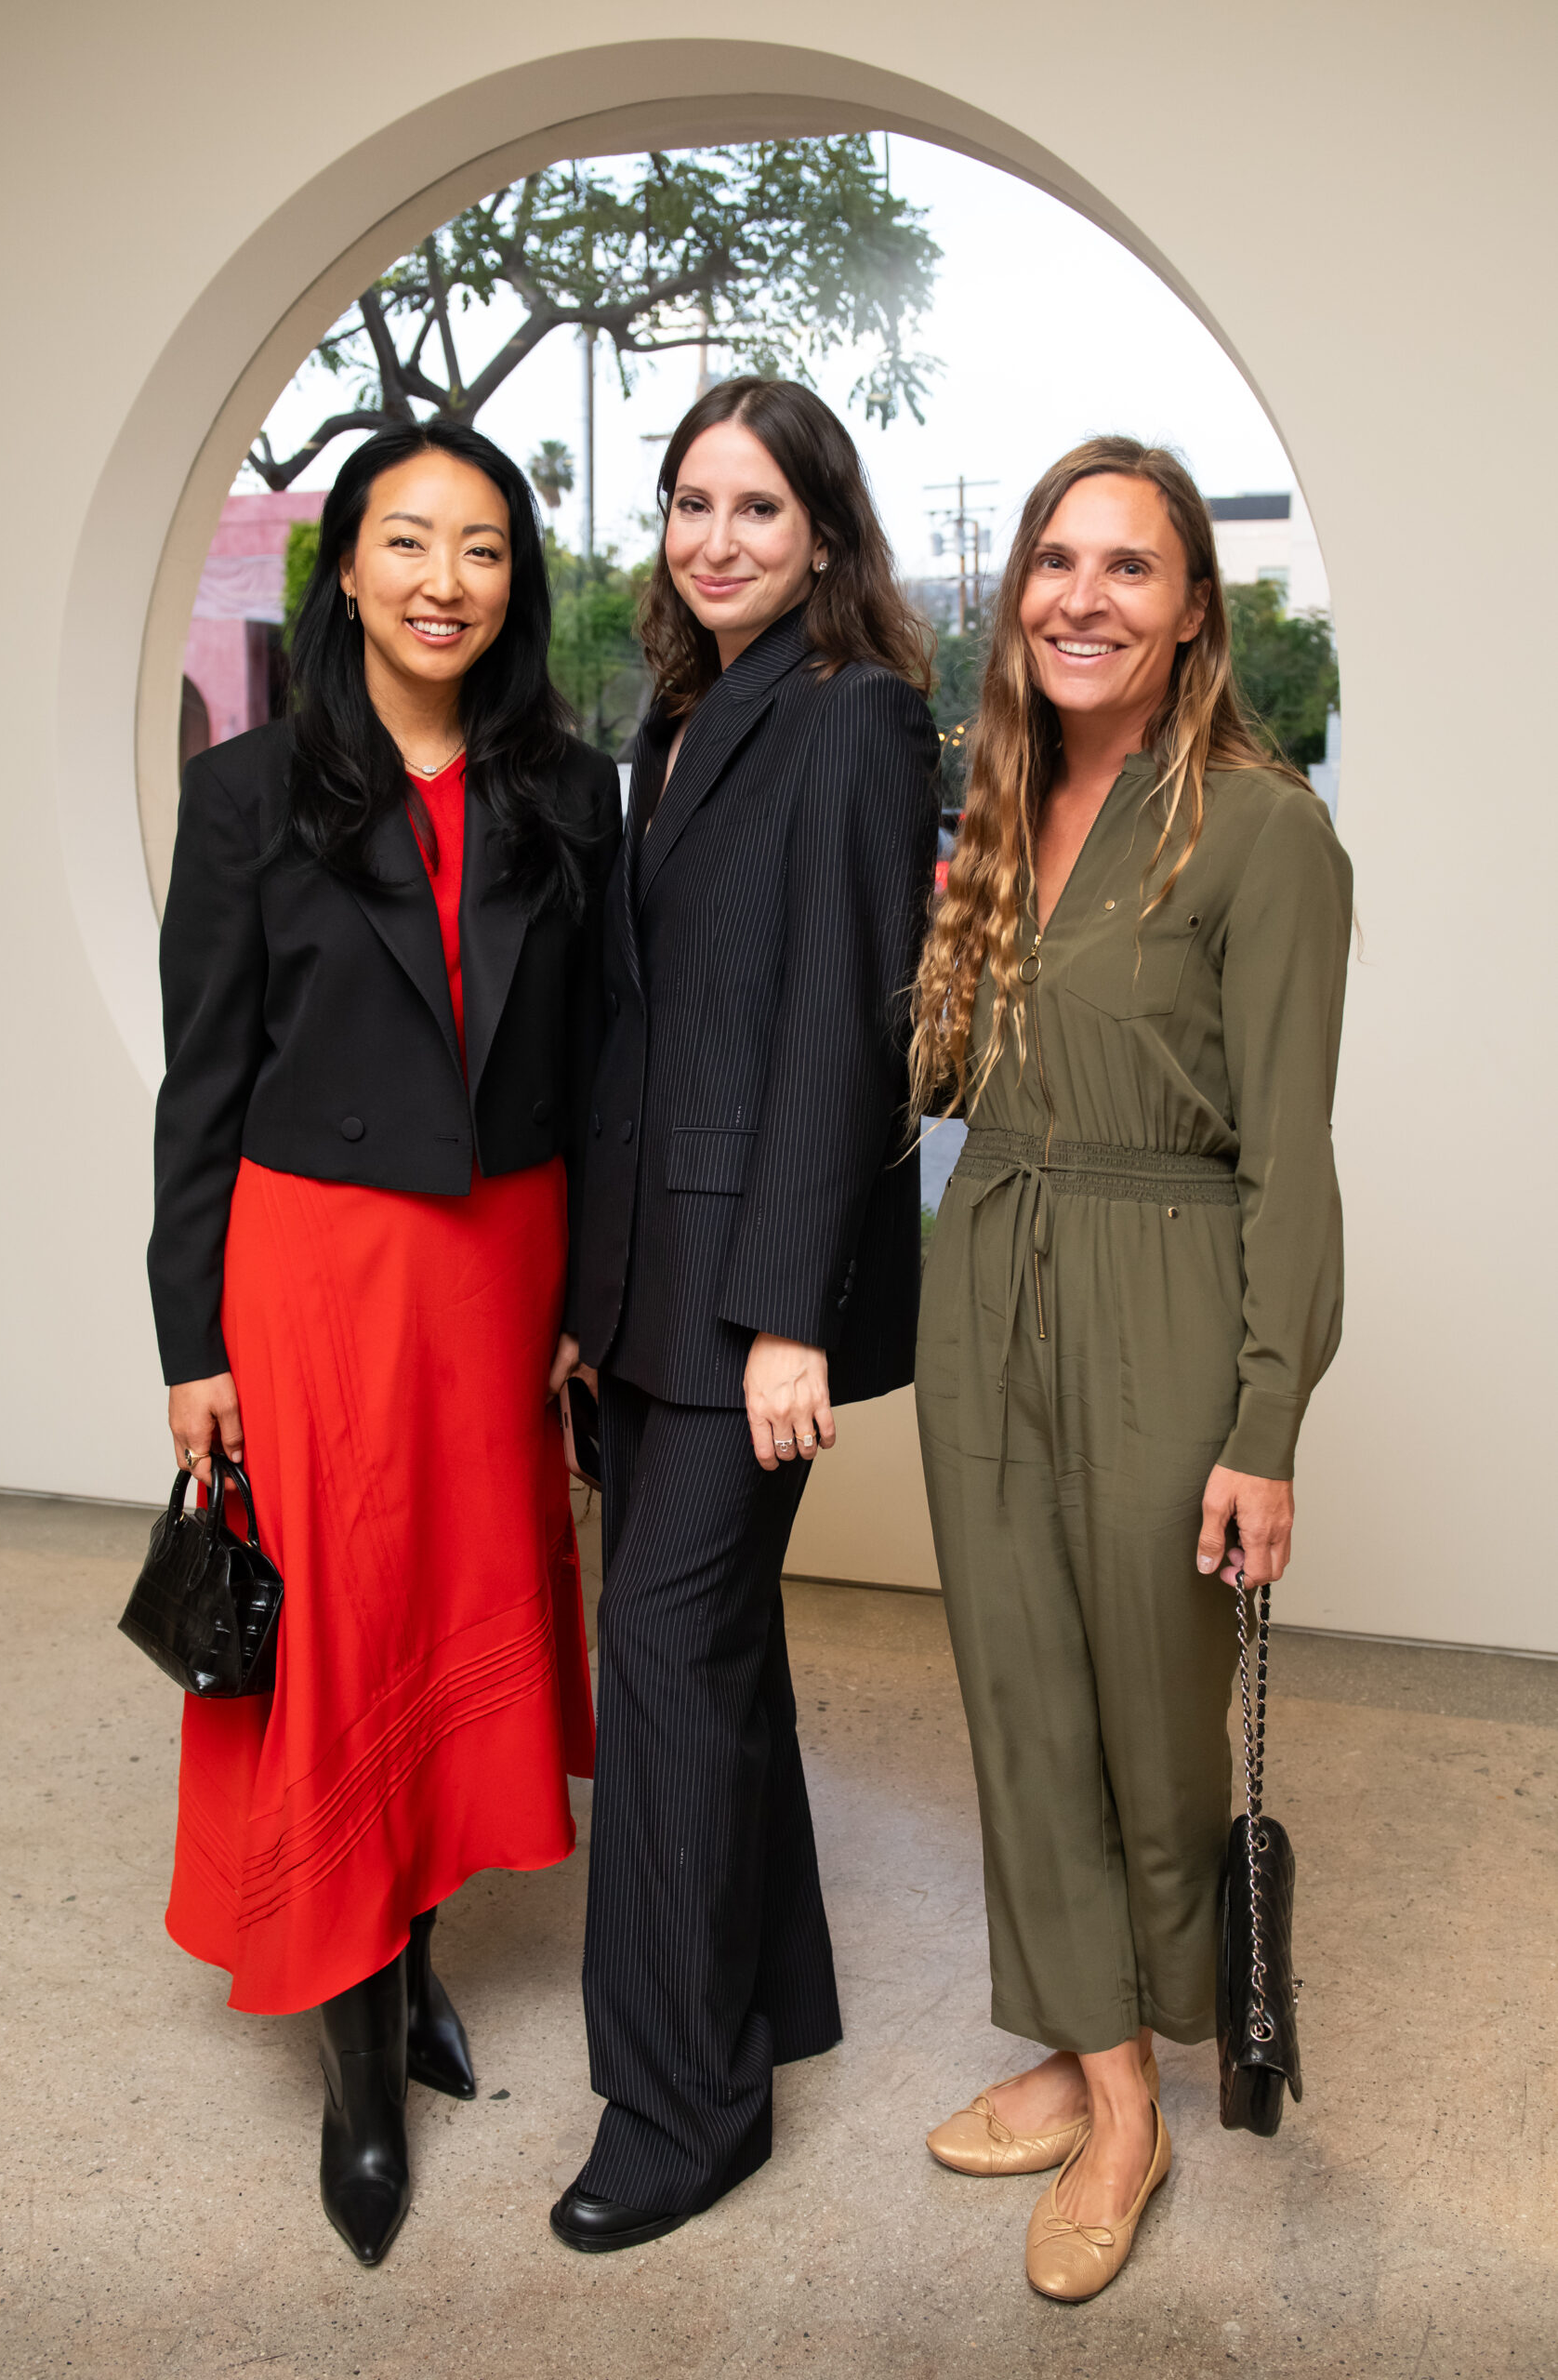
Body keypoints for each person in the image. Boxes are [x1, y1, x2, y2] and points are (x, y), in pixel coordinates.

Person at [146, 420, 620, 2266]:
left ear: (515, 582)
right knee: (340, 1629)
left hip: (500, 1268)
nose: (444, 578)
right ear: (341, 563)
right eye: (407, 539)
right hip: (315, 1277)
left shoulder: (565, 791)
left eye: (483, 546)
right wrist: (191, 1334)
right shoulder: (251, 790)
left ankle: (413, 1958)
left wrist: (589, 1300)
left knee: (445, 1607)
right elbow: (200, 1087)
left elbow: (588, 1071)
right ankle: (357, 2060)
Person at [909, 437, 1350, 2302]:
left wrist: (1263, 1425)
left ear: (1190, 615)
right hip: (982, 1284)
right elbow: (939, 1082)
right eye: (1053, 561)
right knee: (1016, 1704)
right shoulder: (1002, 813)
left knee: (1149, 1735)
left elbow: (1289, 1153)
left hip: (1162, 1294)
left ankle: (1132, 2103)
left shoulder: (1259, 828)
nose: (1081, 596)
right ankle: (1083, 2050)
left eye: (1129, 567)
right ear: (1016, 595)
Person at [549, 378, 939, 2253]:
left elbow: (840, 1031)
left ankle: (682, 2107)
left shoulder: (857, 717)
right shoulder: (686, 711)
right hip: (643, 1287)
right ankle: (764, 2011)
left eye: (757, 510)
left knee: (660, 1669)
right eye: (690, 504)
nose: (715, 539)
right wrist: (586, 1291)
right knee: (708, 1670)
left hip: (742, 1303)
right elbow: (657, 1027)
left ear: (822, 532)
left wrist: (787, 1310)